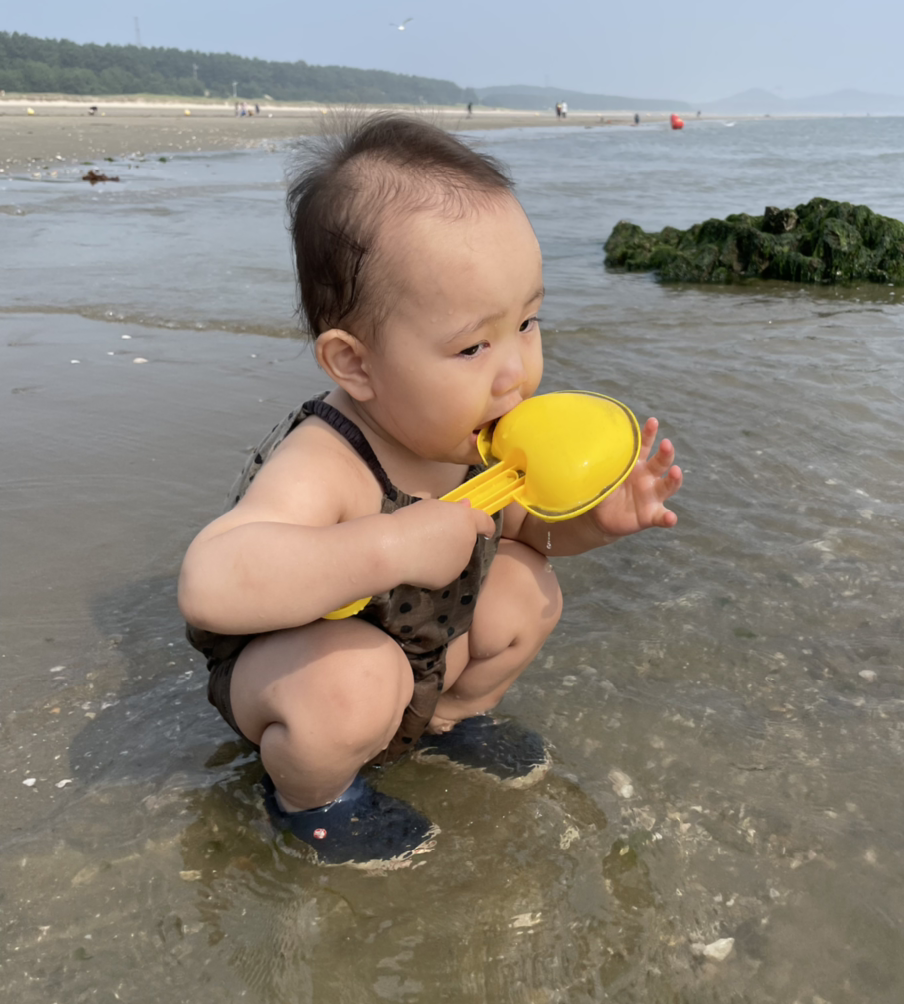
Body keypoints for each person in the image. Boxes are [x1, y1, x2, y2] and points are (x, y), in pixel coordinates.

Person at [178, 114, 683, 868]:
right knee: (353, 682)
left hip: (421, 661)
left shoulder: (474, 436)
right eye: (473, 345)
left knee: (529, 586)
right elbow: (209, 582)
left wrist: (596, 524)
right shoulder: (328, 459)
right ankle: (313, 798)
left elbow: (527, 531)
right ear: (355, 365)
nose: (515, 373)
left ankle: (450, 720)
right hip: (301, 679)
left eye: (528, 322)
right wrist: (386, 546)